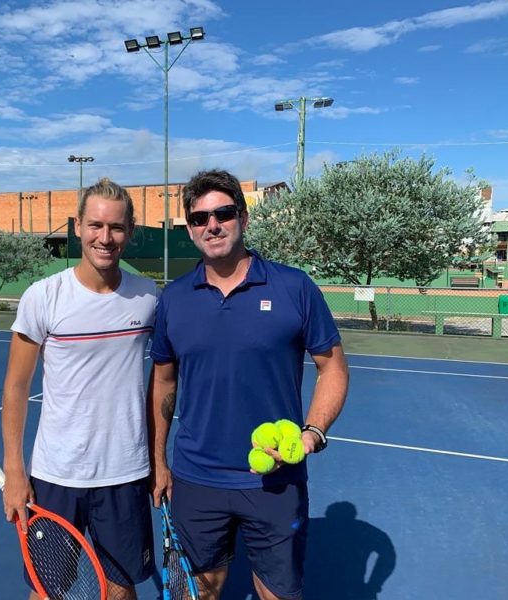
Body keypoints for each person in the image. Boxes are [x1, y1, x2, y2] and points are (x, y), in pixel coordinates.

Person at [148, 169, 349, 600]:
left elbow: (332, 367)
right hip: (196, 478)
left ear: (242, 217)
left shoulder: (294, 287)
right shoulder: (175, 298)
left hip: (276, 481)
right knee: (201, 591)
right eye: (200, 218)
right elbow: (163, 381)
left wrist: (312, 433)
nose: (212, 225)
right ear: (189, 228)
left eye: (222, 213)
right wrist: (159, 461)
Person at [1, 178, 159, 600]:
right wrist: (15, 472)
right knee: (49, 591)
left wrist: (159, 461)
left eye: (116, 228)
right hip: (56, 475)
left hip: (125, 474)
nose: (105, 238)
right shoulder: (43, 297)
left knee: (120, 591)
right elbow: (16, 387)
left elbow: (165, 380)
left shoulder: (148, 297)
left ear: (130, 231)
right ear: (77, 226)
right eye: (95, 225)